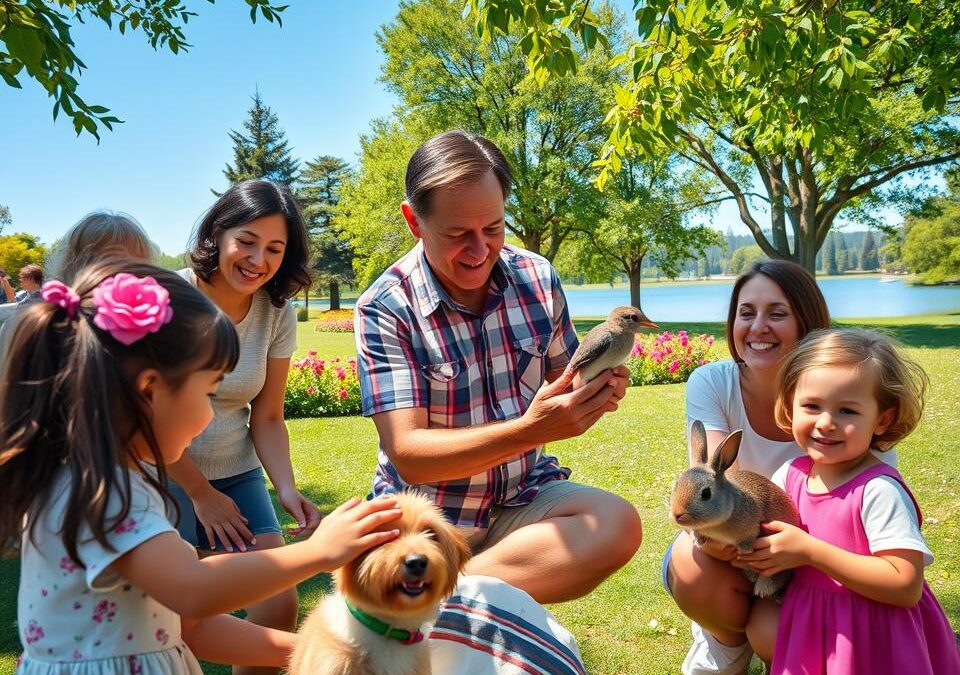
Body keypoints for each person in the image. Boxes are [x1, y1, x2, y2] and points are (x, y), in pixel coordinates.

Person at [1, 259, 403, 674]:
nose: (212, 416)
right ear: (150, 389)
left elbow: (189, 627)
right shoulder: (104, 494)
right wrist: (317, 553)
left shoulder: (93, 480)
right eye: (208, 392)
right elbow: (196, 592)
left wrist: (337, 655)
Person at [355, 130, 642, 604]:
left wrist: (594, 394)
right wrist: (530, 430)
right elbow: (407, 453)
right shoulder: (385, 308)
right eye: (457, 234)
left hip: (524, 496)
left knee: (617, 524)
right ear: (414, 221)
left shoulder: (536, 277)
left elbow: (563, 380)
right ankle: (453, 602)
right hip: (429, 516)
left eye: (493, 228)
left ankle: (441, 598)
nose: (479, 250)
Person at [741, 329, 960, 674]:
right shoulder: (790, 476)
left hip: (877, 640)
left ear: (881, 419)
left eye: (846, 410)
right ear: (789, 405)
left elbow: (905, 585)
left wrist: (810, 551)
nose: (826, 423)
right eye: (812, 406)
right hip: (814, 630)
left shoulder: (877, 490)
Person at [165, 179, 316, 675]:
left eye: (275, 248)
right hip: (161, 472)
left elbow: (268, 415)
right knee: (171, 618)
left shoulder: (277, 312)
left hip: (238, 470)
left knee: (276, 606)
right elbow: (142, 413)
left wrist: (287, 489)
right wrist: (201, 494)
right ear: (218, 234)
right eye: (247, 241)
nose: (258, 259)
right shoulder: (173, 296)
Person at [668, 260, 835, 674]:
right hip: (739, 546)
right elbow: (705, 481)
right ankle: (723, 650)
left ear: (806, 323)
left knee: (770, 633)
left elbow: (864, 489)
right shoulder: (711, 382)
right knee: (691, 562)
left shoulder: (839, 392)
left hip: (815, 555)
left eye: (777, 313)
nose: (758, 326)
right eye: (747, 313)